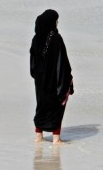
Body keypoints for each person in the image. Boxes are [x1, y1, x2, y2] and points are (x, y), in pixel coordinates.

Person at [30, 9, 74, 144]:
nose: (57, 23)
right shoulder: (56, 38)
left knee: (41, 105)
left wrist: (37, 76)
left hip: (40, 81)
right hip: (55, 81)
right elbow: (62, 61)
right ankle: (56, 139)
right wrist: (67, 80)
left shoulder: (36, 38)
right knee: (57, 107)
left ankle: (38, 136)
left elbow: (32, 62)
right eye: (56, 20)